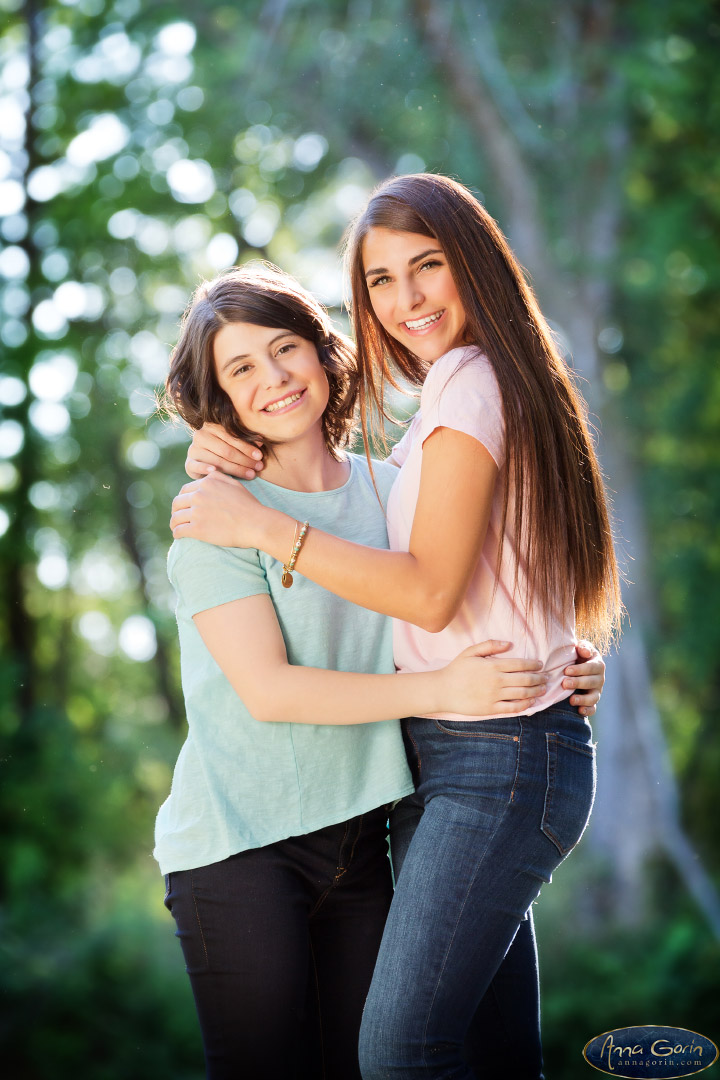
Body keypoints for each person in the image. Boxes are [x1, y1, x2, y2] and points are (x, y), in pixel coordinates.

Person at [170, 173, 619, 1079]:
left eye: (285, 349)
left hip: (421, 797)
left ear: (326, 353)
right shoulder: (237, 510)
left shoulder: (422, 439)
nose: (407, 298)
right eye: (380, 279)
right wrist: (512, 658)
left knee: (401, 1057)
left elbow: (444, 585)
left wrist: (561, 654)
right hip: (284, 825)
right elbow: (273, 686)